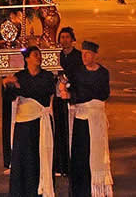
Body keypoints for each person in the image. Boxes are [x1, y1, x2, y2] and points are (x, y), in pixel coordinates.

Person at [60, 41, 113, 197]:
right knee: (80, 155)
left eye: (87, 53)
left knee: (95, 153)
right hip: (81, 120)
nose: (84, 56)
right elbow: (66, 83)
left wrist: (76, 95)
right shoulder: (76, 72)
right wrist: (65, 88)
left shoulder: (103, 73)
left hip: (96, 119)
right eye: (82, 53)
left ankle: (96, 188)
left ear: (94, 55)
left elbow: (102, 93)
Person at [3, 46, 56, 197]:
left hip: (40, 121)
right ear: (27, 59)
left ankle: (41, 190)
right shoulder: (20, 75)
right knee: (23, 158)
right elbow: (10, 97)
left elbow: (44, 93)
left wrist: (21, 88)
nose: (38, 57)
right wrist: (6, 85)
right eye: (35, 55)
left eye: (39, 55)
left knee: (40, 156)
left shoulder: (47, 76)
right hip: (24, 124)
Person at [54, 27, 82, 177]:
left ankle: (72, 164)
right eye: (62, 37)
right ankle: (60, 165)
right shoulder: (56, 56)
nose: (64, 40)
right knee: (59, 130)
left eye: (67, 37)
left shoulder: (77, 56)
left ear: (72, 39)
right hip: (58, 97)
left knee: (71, 130)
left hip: (72, 98)